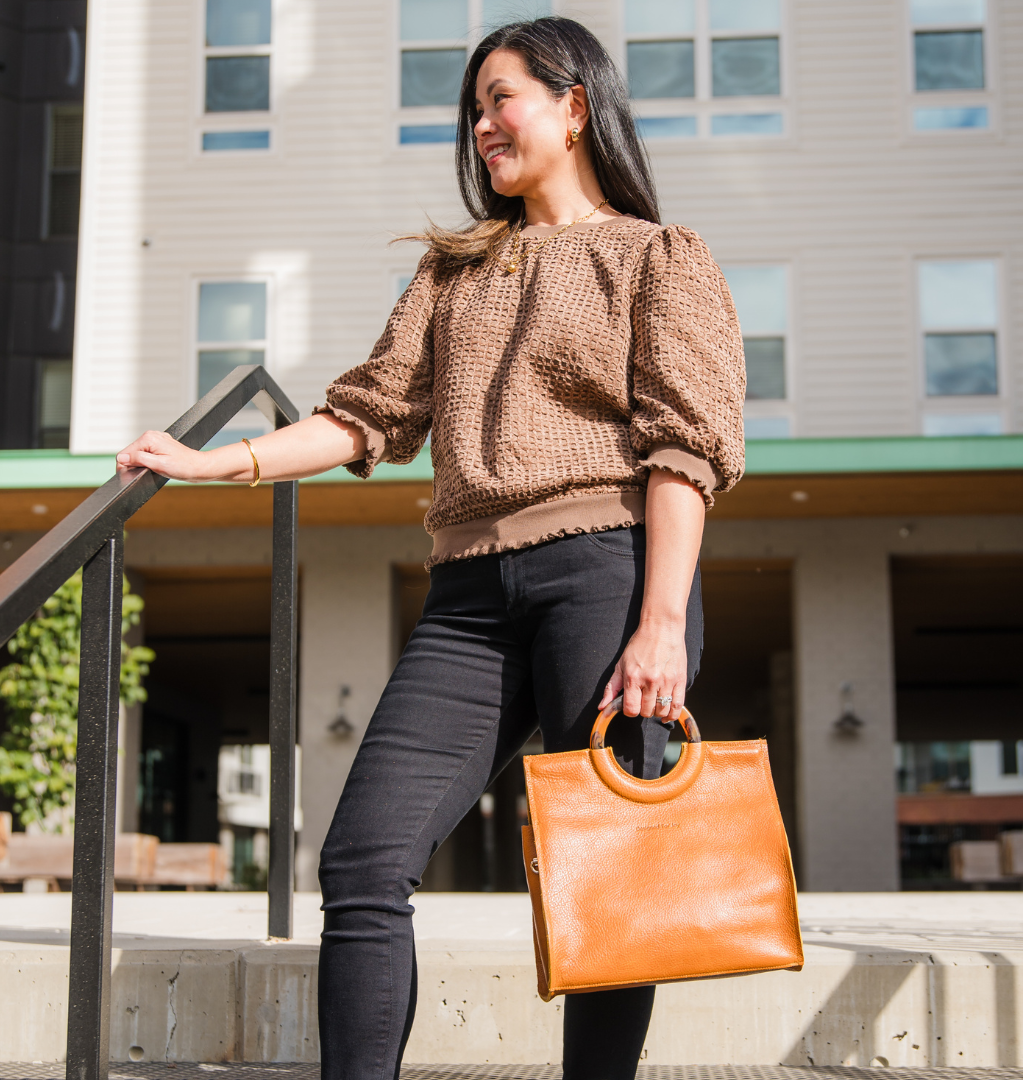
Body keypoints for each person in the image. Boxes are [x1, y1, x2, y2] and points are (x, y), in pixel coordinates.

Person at [117, 16, 745, 1080]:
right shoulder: (455, 275)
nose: (482, 123)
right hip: (467, 598)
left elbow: (687, 449)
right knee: (364, 857)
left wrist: (663, 625)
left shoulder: (656, 257)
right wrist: (214, 462)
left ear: (574, 106)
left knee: (604, 878)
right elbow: (367, 415)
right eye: (476, 106)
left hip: (609, 574)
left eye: (503, 99)